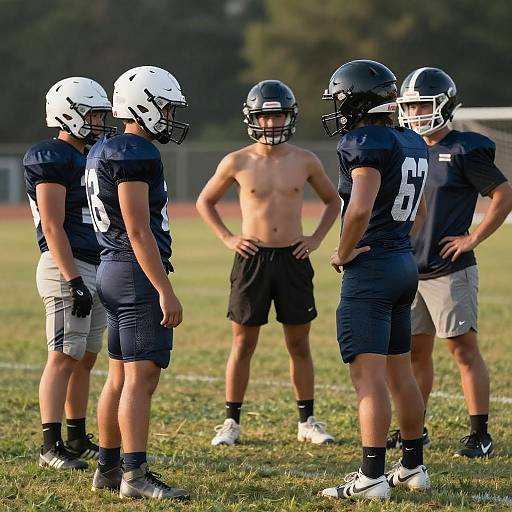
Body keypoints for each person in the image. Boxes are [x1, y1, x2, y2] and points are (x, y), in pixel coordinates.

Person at [196, 80, 340, 447]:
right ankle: (231, 422)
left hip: (293, 258)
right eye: (265, 115)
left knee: (299, 343)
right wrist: (229, 237)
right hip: (252, 260)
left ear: (289, 117)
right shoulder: (237, 161)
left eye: (278, 115)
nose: (272, 123)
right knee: (242, 343)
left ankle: (307, 420)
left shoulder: (305, 159)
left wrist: (316, 238)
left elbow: (332, 202)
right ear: (253, 118)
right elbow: (205, 202)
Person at [319, 60, 431, 501]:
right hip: (402, 263)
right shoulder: (412, 140)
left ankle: (371, 478)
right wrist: (397, 243)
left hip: (373, 268)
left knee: (368, 379)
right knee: (399, 372)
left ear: (356, 99)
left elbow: (360, 208)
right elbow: (419, 213)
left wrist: (343, 252)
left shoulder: (362, 141)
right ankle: (413, 467)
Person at [387, 67, 512, 457]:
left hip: (447, 267)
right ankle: (416, 427)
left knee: (462, 349)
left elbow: (503, 194)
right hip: (409, 266)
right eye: (410, 105)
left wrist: (473, 237)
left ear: (443, 105)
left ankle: (480, 434)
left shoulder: (464, 148)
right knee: (413, 352)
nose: (417, 112)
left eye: (423, 104)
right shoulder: (405, 145)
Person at [86, 66, 190, 500]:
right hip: (134, 271)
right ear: (143, 105)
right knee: (139, 380)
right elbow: (138, 228)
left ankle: (108, 468)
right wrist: (164, 288)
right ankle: (135, 475)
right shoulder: (134, 152)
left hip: (113, 267)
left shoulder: (104, 149)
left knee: (118, 376)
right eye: (164, 107)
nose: (168, 116)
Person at [24, 77, 115, 470]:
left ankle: (76, 437)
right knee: (63, 356)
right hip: (69, 266)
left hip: (97, 263)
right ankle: (49, 445)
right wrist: (74, 279)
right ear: (68, 114)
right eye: (92, 114)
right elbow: (52, 225)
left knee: (85, 358)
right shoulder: (51, 156)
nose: (98, 122)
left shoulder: (91, 154)